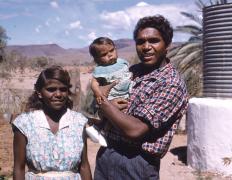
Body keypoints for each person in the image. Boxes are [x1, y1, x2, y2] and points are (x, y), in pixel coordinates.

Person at [94, 15, 188, 180]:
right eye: (140, 42)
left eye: (154, 41)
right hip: (107, 153)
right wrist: (104, 101)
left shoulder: (170, 84)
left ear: (167, 45)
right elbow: (101, 97)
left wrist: (104, 104)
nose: (146, 47)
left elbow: (135, 130)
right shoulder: (133, 71)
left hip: (136, 163)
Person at [12, 66, 92, 180]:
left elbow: (84, 166)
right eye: (51, 89)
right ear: (39, 93)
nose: (58, 94)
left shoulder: (78, 122)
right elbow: (18, 168)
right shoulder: (24, 124)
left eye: (63, 89)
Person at [86, 37, 132, 147]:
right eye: (104, 54)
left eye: (111, 50)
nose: (110, 55)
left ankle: (103, 133)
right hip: (111, 97)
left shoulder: (123, 62)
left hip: (126, 94)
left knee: (120, 117)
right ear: (97, 58)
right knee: (108, 116)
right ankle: (96, 129)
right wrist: (98, 93)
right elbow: (94, 83)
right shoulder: (100, 69)